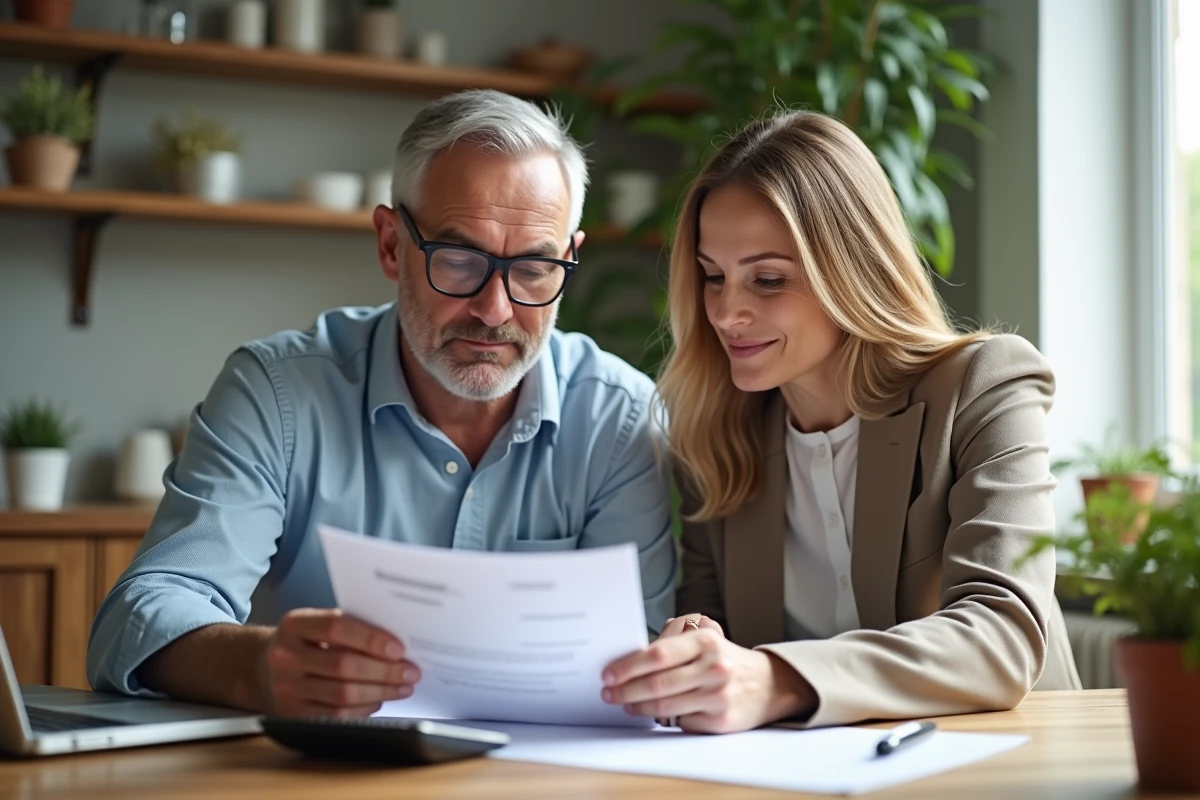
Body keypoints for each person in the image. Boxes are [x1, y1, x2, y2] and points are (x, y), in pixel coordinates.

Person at [88, 89, 676, 718]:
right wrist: (255, 667)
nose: (495, 309)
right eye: (459, 260)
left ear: (568, 258)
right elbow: (137, 619)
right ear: (392, 244)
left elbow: (641, 659)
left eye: (533, 268)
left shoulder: (620, 420)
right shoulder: (275, 394)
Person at [600, 110, 1081, 734]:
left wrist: (776, 678)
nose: (725, 311)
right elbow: (715, 634)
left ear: (852, 270)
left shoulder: (984, 387)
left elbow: (1002, 636)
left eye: (767, 279)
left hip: (1010, 760)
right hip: (809, 773)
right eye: (713, 276)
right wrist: (695, 647)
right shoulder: (713, 436)